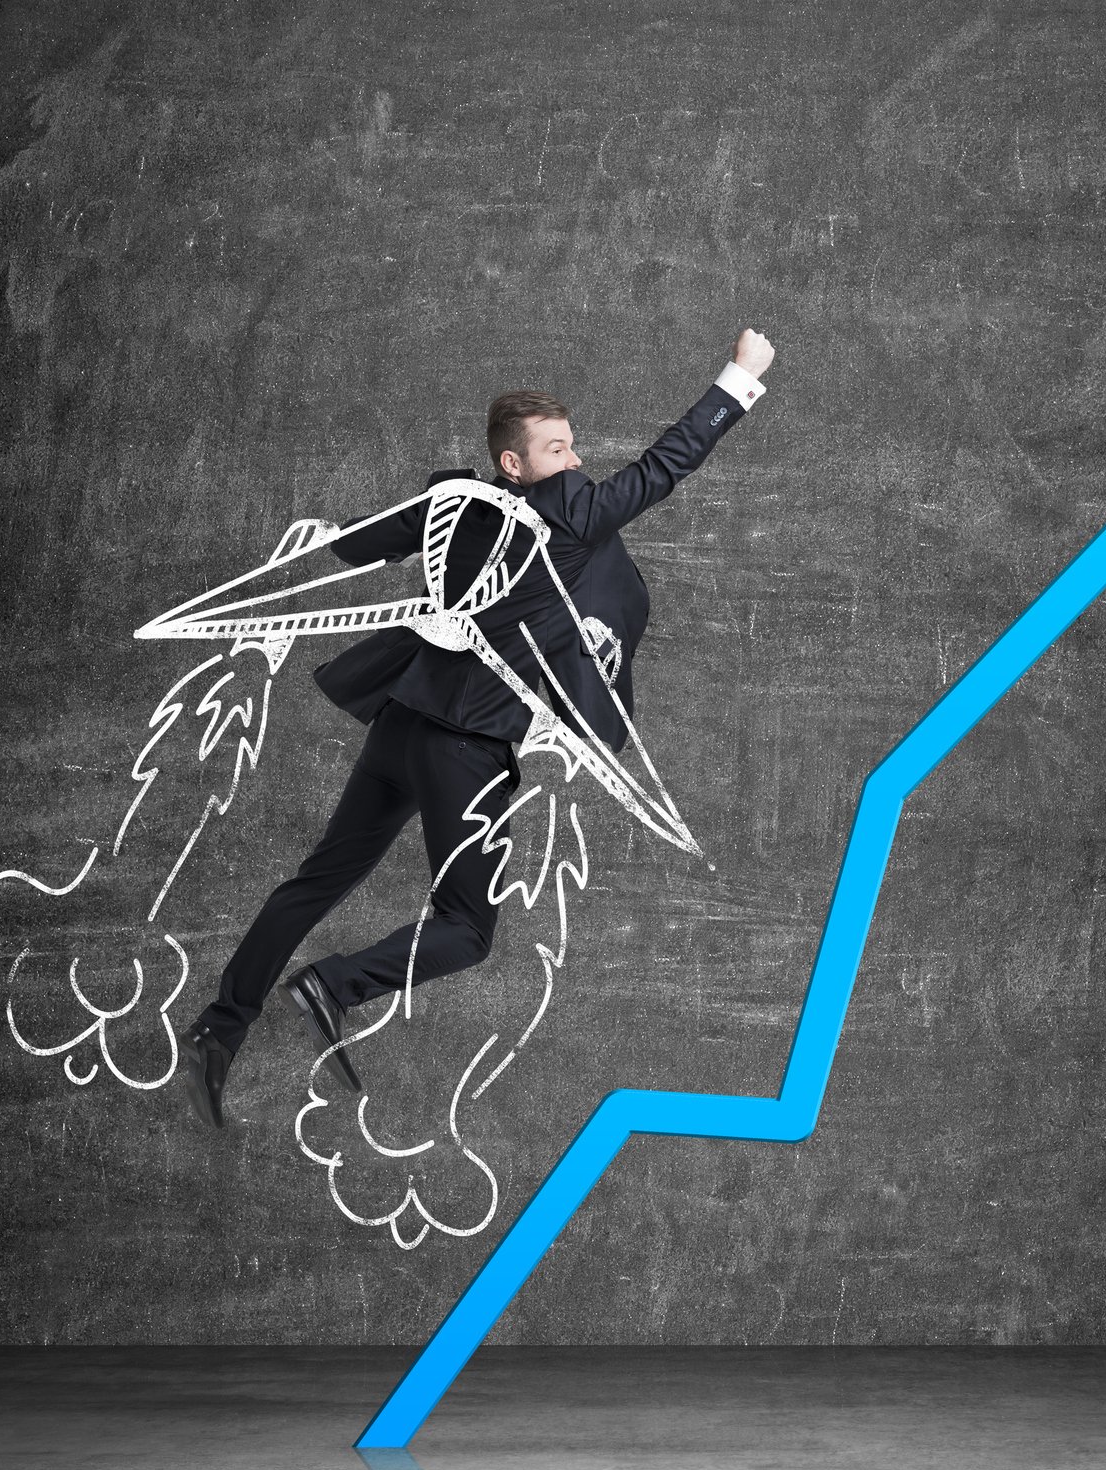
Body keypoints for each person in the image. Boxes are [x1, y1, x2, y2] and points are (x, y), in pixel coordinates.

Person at [179, 328, 777, 1127]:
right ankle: (335, 985)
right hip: (466, 748)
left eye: (573, 447)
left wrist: (326, 541)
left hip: (400, 726)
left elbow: (360, 542)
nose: (575, 463)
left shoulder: (455, 509)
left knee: (317, 880)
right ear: (515, 465)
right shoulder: (563, 514)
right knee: (467, 929)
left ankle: (224, 1023)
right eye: (556, 450)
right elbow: (662, 468)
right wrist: (739, 376)